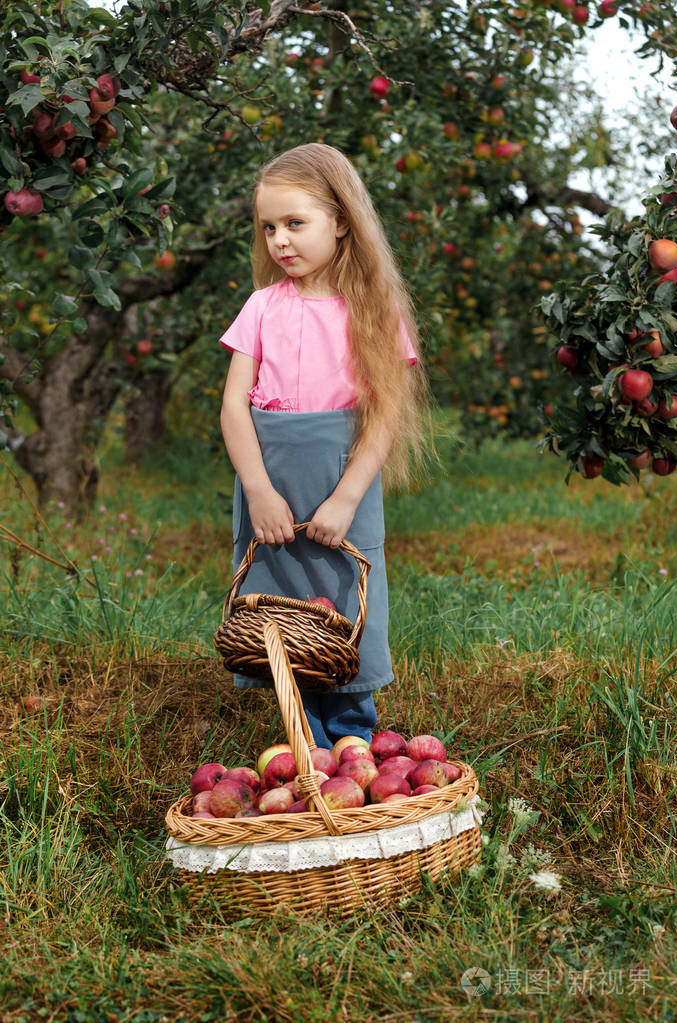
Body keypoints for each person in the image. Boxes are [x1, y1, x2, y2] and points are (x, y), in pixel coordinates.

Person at [219, 142, 428, 750]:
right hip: (272, 479)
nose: (280, 240)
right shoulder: (261, 306)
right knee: (277, 607)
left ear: (340, 221)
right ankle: (300, 742)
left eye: (295, 223)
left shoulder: (374, 309)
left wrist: (346, 499)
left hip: (342, 479)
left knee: (345, 601)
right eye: (269, 227)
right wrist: (258, 491)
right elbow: (235, 406)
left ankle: (352, 740)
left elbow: (384, 415)